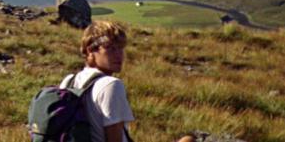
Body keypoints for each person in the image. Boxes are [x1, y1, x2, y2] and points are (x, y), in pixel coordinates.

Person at [64, 20, 194, 142]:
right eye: (111, 48)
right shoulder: (111, 85)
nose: (119, 55)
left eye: (120, 48)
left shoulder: (69, 81)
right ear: (90, 51)